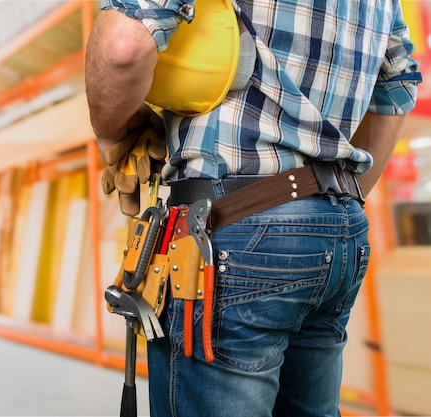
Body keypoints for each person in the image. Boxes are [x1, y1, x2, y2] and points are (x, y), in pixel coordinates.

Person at [85, 0, 421, 416]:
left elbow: (123, 45)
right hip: (342, 228)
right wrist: (337, 200)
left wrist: (112, 133)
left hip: (235, 231)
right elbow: (398, 85)